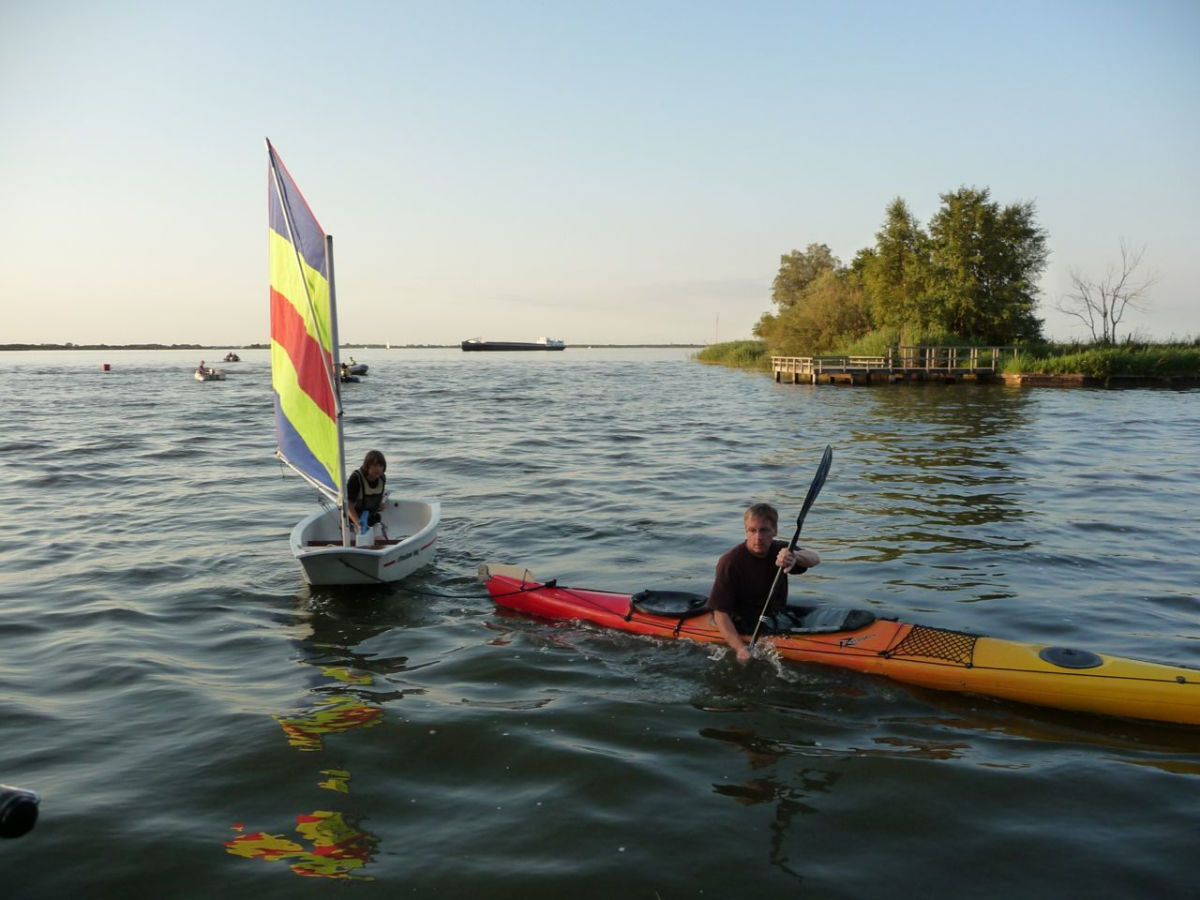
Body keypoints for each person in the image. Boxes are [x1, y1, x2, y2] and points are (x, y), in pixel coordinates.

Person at [707, 502, 820, 663]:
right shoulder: (730, 562)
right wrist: (740, 648)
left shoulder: (781, 551)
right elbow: (720, 614)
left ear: (774, 531)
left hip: (774, 616)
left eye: (764, 530)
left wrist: (795, 556)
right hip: (741, 621)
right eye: (752, 530)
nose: (758, 537)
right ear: (746, 531)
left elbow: (815, 559)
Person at [346, 449, 387, 532]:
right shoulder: (356, 478)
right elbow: (348, 505)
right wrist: (358, 523)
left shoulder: (382, 478)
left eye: (380, 466)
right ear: (367, 466)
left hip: (372, 519)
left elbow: (378, 496)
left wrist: (380, 504)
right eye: (375, 465)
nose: (378, 469)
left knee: (379, 542)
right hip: (353, 521)